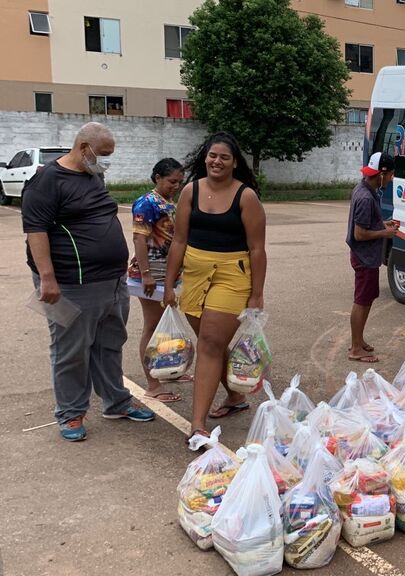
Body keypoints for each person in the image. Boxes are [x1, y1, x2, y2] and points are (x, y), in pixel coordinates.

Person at [22, 122, 155, 442]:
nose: (106, 161)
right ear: (83, 148)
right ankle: (70, 414)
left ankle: (116, 402)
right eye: (103, 154)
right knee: (71, 350)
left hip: (111, 282)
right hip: (69, 284)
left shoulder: (93, 174)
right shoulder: (46, 181)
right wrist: (48, 280)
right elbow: (35, 231)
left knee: (110, 345)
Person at [163, 132, 267, 439]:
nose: (216, 161)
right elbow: (179, 240)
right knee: (213, 343)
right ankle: (236, 396)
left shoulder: (245, 196)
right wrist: (168, 285)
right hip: (195, 275)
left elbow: (258, 249)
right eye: (212, 156)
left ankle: (197, 425)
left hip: (232, 275)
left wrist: (257, 294)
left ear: (234, 163)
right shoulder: (189, 192)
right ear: (204, 158)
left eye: (224, 157)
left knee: (209, 342)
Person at [127, 158, 186, 403]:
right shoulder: (146, 203)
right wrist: (147, 273)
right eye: (172, 181)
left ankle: (167, 368)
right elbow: (139, 240)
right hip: (150, 277)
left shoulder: (168, 203)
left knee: (165, 326)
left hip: (167, 275)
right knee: (152, 328)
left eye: (179, 182)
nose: (176, 186)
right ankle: (152, 385)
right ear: (157, 178)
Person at [346, 152, 399, 363]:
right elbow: (360, 234)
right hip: (365, 257)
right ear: (382, 175)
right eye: (391, 175)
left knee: (366, 299)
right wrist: (385, 233)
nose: (391, 179)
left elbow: (367, 225)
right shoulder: (366, 198)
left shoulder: (363, 188)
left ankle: (358, 340)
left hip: (365, 256)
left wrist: (382, 224)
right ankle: (356, 348)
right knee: (362, 301)